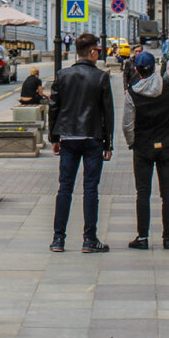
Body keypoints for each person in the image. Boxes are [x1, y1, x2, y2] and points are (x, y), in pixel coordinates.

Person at [48, 32, 113, 254]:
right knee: (90, 189)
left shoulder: (63, 75)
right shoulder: (101, 77)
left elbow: (54, 107)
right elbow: (108, 113)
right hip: (93, 138)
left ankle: (58, 239)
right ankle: (89, 239)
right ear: (92, 52)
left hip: (68, 138)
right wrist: (108, 144)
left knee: (64, 187)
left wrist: (54, 138)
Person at [124, 51, 169, 250]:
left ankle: (142, 237)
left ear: (137, 70)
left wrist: (132, 143)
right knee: (168, 193)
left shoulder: (132, 93)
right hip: (167, 147)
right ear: (154, 68)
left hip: (143, 148)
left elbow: (127, 125)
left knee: (143, 193)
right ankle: (168, 237)